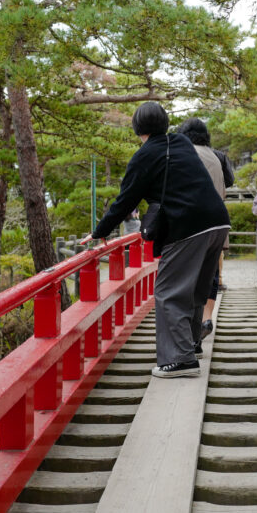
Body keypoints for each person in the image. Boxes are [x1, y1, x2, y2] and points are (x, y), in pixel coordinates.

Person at [90, 102, 230, 378]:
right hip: (218, 221)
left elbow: (124, 200)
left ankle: (180, 360)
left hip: (189, 226)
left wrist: (99, 231)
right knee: (195, 290)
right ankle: (191, 345)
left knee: (169, 292)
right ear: (165, 124)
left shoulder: (144, 155)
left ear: (136, 127)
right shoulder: (180, 143)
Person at [176, 117, 229, 347]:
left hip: (193, 227)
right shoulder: (216, 156)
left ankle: (191, 334)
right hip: (218, 225)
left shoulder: (185, 154)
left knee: (189, 280)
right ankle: (206, 320)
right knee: (210, 278)